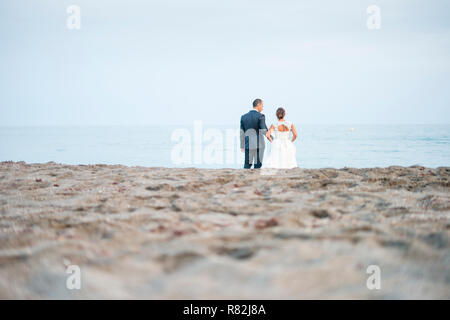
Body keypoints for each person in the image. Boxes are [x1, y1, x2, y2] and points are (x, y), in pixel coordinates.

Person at [240, 99, 268, 169]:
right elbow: (264, 130)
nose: (262, 108)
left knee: (247, 165)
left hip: (248, 144)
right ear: (258, 105)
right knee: (258, 165)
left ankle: (245, 179)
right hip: (259, 144)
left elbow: (241, 132)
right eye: (262, 106)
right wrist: (272, 138)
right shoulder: (261, 116)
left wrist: (242, 145)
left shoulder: (244, 117)